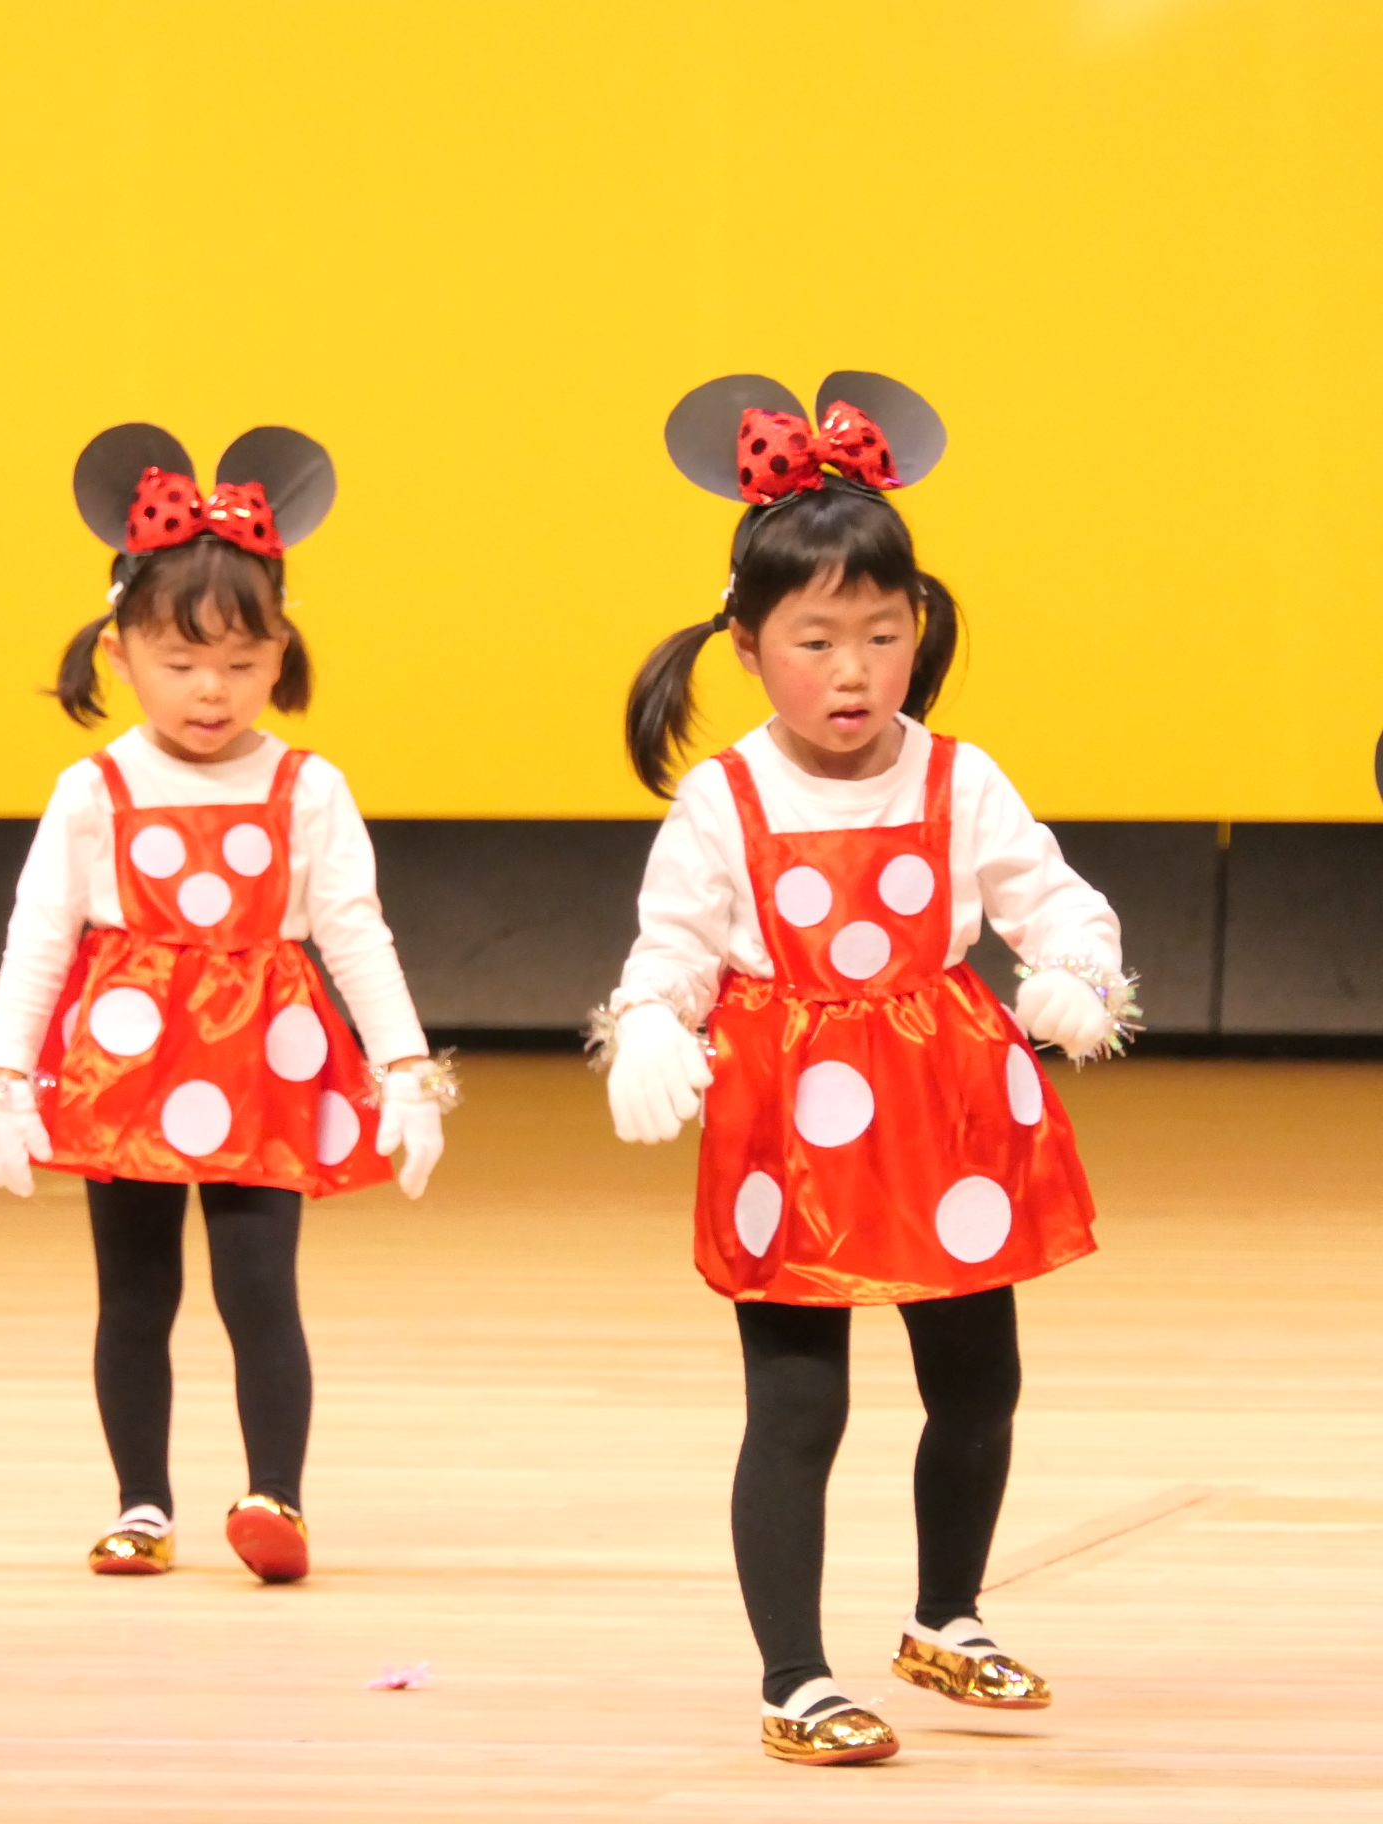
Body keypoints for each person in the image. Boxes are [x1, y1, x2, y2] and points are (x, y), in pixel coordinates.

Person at [601, 372, 1133, 1767]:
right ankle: (794, 1675)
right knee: (798, 1407)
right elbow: (672, 949)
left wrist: (1079, 978)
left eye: (883, 636)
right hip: (790, 1124)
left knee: (979, 1385)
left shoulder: (960, 777)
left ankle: (947, 1618)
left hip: (949, 1110)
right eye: (817, 640)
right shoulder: (723, 798)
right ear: (747, 645)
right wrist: (649, 1025)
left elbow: (1056, 904)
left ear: (920, 631)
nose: (853, 671)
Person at [0, 424, 453, 1587]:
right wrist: (0, 1081)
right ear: (119, 653)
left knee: (259, 1287)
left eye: (240, 657)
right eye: (180, 661)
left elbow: (355, 931)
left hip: (261, 1061)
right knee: (133, 1295)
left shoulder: (307, 786)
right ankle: (141, 1504)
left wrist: (407, 1072)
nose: (212, 688)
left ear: (282, 652)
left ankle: (276, 1496)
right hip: (127, 1065)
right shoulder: (94, 788)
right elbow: (40, 937)